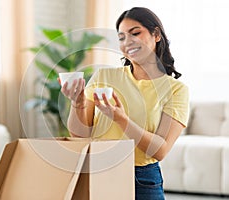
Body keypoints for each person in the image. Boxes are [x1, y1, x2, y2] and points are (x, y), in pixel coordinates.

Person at [60, 7, 189, 200]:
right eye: (121, 37)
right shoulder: (104, 76)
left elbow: (160, 150)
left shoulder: (176, 90)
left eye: (135, 33)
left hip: (141, 179)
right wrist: (77, 104)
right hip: (98, 171)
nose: (128, 42)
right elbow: (80, 134)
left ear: (156, 35)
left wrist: (122, 120)